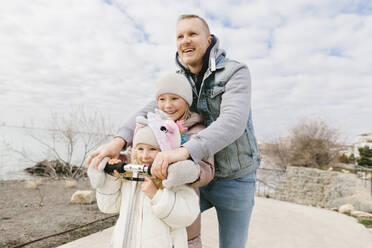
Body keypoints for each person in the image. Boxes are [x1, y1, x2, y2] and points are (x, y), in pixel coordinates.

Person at [87, 14, 260, 248]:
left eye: (192, 34)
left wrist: (183, 151)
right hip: (188, 173)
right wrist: (118, 141)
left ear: (209, 41)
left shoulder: (234, 72)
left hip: (234, 177)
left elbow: (234, 121)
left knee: (232, 244)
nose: (185, 40)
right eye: (180, 36)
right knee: (173, 229)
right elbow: (148, 111)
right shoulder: (177, 80)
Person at [93, 114, 200, 248]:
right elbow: (108, 207)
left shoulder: (175, 180)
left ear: (166, 151)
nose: (144, 156)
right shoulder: (130, 176)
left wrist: (156, 195)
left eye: (153, 149)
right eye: (140, 149)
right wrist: (112, 177)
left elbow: (186, 217)